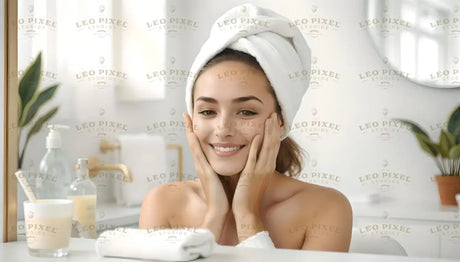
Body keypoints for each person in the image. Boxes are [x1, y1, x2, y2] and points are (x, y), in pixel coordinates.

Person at [139, 4, 352, 251]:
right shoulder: (163, 203)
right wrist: (215, 216)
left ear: (281, 120)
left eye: (246, 112)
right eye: (208, 111)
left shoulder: (325, 208)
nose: (223, 129)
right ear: (192, 120)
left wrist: (247, 216)